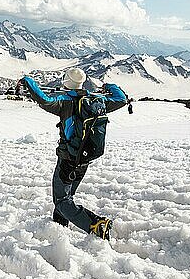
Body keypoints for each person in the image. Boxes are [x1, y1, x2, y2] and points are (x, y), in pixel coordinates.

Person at [17, 68, 128, 240]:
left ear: (66, 81)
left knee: (61, 201)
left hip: (68, 159)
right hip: (85, 158)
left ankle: (96, 225)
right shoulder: (97, 100)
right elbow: (121, 98)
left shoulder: (66, 101)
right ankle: (59, 228)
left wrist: (27, 81)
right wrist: (109, 85)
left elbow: (44, 100)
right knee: (66, 197)